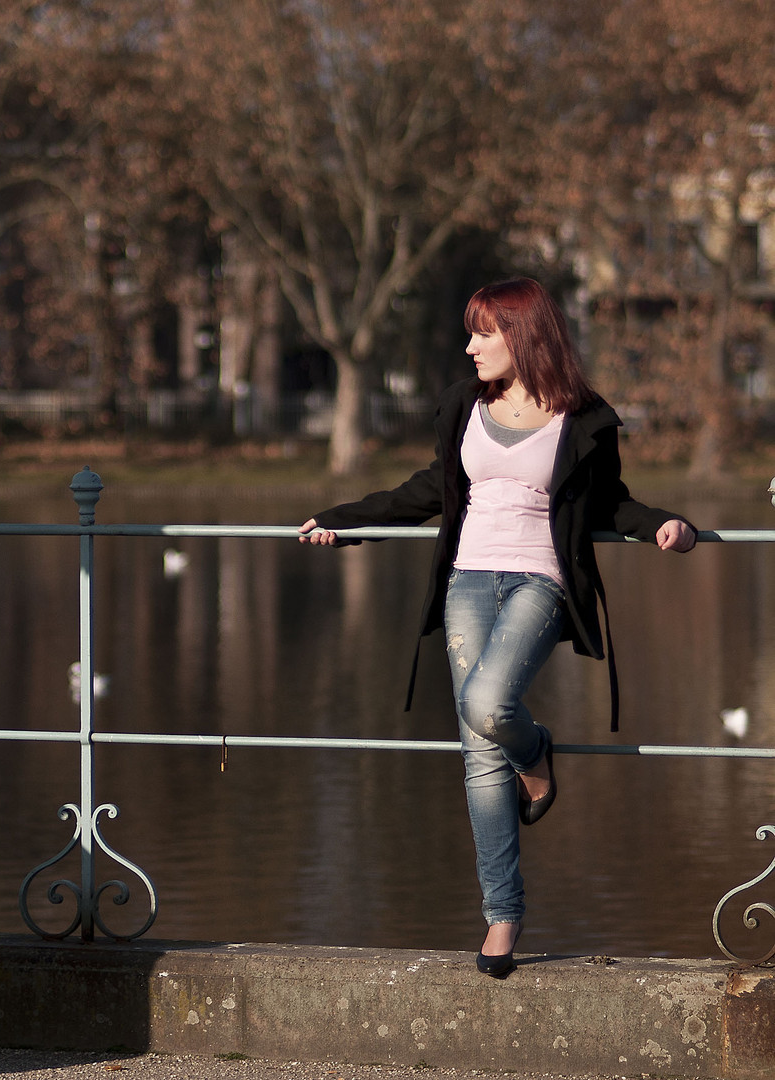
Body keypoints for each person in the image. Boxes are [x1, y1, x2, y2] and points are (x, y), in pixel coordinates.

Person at [297, 277, 696, 978]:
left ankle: (537, 758)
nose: (470, 345)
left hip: (539, 580)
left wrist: (667, 525)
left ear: (524, 335)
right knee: (478, 748)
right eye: (471, 332)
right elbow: (426, 492)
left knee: (488, 707)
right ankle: (502, 916)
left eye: (485, 332)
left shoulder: (586, 417)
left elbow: (610, 501)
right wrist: (344, 522)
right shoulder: (463, 408)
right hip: (467, 582)